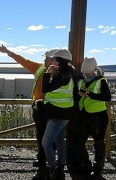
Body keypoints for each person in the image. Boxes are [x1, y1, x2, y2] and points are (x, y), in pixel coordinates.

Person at [0, 45, 57, 180]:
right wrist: (9, 52)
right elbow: (23, 61)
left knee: (48, 137)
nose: (45, 60)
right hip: (39, 107)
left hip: (49, 108)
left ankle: (49, 164)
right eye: (46, 58)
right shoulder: (40, 68)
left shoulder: (57, 72)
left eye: (47, 58)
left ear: (53, 60)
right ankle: (42, 162)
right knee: (41, 135)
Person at [70, 57, 111, 180]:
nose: (86, 74)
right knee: (77, 141)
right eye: (85, 72)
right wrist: (79, 94)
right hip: (83, 116)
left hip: (98, 116)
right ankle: (86, 165)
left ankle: (97, 171)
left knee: (99, 143)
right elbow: (75, 98)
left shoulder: (101, 81)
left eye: (88, 71)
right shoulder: (80, 82)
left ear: (94, 70)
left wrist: (89, 94)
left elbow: (107, 97)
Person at [41, 49, 78, 180]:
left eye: (55, 59)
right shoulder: (71, 73)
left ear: (61, 61)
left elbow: (45, 89)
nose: (53, 61)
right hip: (66, 113)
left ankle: (52, 168)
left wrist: (47, 73)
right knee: (60, 140)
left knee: (46, 143)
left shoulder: (61, 75)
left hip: (57, 114)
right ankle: (61, 165)